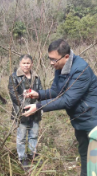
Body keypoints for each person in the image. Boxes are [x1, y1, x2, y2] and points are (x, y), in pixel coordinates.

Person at [23, 39, 97, 176]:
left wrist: (39, 106)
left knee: (94, 162)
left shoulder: (81, 70)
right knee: (85, 157)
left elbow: (68, 100)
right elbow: (57, 91)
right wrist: (38, 94)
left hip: (93, 121)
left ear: (66, 57)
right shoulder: (60, 67)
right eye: (49, 59)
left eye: (54, 59)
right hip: (79, 120)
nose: (51, 63)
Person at [8, 54, 42, 167]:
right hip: (21, 110)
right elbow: (13, 94)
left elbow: (40, 92)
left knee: (34, 134)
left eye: (28, 63)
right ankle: (22, 157)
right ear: (20, 64)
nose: (26, 65)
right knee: (21, 135)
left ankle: (32, 155)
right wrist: (25, 103)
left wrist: (37, 105)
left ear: (32, 64)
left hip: (35, 110)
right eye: (24, 63)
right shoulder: (14, 77)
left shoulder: (36, 77)